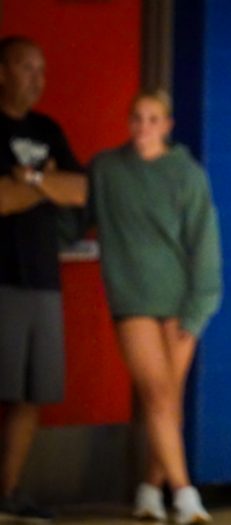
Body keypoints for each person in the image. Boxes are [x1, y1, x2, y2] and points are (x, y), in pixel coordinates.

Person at [88, 89, 222, 524]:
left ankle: (149, 490)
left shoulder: (187, 174)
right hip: (132, 298)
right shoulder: (106, 169)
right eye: (137, 117)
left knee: (166, 402)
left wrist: (198, 309)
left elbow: (204, 243)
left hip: (181, 301)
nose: (143, 127)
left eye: (153, 119)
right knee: (159, 395)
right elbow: (78, 215)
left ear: (167, 125)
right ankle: (185, 496)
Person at [0, 36, 87, 521]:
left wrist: (29, 180)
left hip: (43, 282)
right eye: (26, 67)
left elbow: (79, 190)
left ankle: (7, 493)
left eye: (41, 69)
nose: (37, 78)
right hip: (3, 281)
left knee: (32, 395)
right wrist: (47, 184)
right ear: (2, 72)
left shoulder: (47, 129)